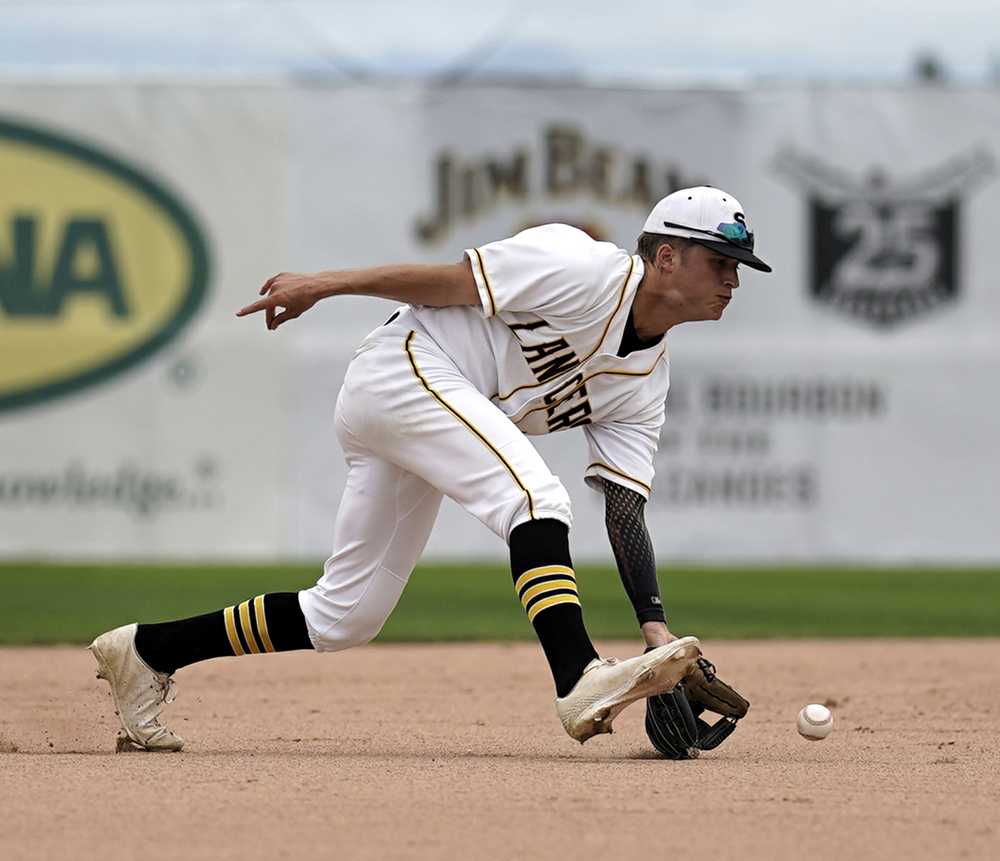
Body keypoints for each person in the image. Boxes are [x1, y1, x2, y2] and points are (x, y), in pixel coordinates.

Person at [90, 186, 771, 753]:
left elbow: (625, 511)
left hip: (423, 412)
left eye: (739, 267)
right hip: (406, 366)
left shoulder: (645, 383)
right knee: (536, 498)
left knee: (345, 615)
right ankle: (578, 677)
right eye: (723, 262)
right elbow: (447, 284)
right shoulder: (582, 266)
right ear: (668, 256)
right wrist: (327, 285)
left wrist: (660, 639)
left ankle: (146, 651)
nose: (734, 280)